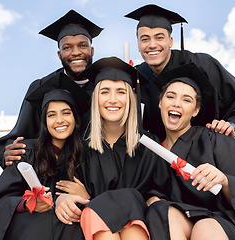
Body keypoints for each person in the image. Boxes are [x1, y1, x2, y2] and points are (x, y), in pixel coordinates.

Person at [144, 63, 235, 239]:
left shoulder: (216, 140)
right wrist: (152, 199)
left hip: (225, 223)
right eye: (170, 96)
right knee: (162, 212)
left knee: (204, 227)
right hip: (183, 220)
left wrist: (226, 182)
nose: (177, 103)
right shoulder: (152, 150)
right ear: (160, 103)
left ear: (196, 110)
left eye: (187, 99)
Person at [55, 57, 173, 240]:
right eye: (105, 92)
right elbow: (62, 189)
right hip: (95, 227)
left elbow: (158, 195)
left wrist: (92, 198)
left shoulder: (149, 145)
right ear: (95, 97)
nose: (112, 100)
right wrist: (61, 200)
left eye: (120, 92)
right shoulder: (78, 146)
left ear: (131, 97)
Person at [125, 4, 235, 149]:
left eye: (159, 37)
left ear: (170, 41)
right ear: (138, 45)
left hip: (206, 156)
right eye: (144, 39)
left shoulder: (202, 65)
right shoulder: (135, 77)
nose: (152, 45)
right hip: (156, 161)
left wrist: (233, 128)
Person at [0, 73, 91, 239]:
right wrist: (27, 204)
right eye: (51, 115)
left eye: (66, 113)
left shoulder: (86, 155)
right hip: (31, 230)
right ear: (43, 121)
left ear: (75, 118)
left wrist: (86, 195)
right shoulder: (27, 152)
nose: (59, 120)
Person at [0, 9, 103, 168]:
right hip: (52, 171)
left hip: (97, 172)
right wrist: (7, 151)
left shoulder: (105, 87)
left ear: (92, 50)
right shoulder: (42, 87)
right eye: (67, 48)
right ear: (59, 55)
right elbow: (21, 133)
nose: (76, 52)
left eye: (83, 45)